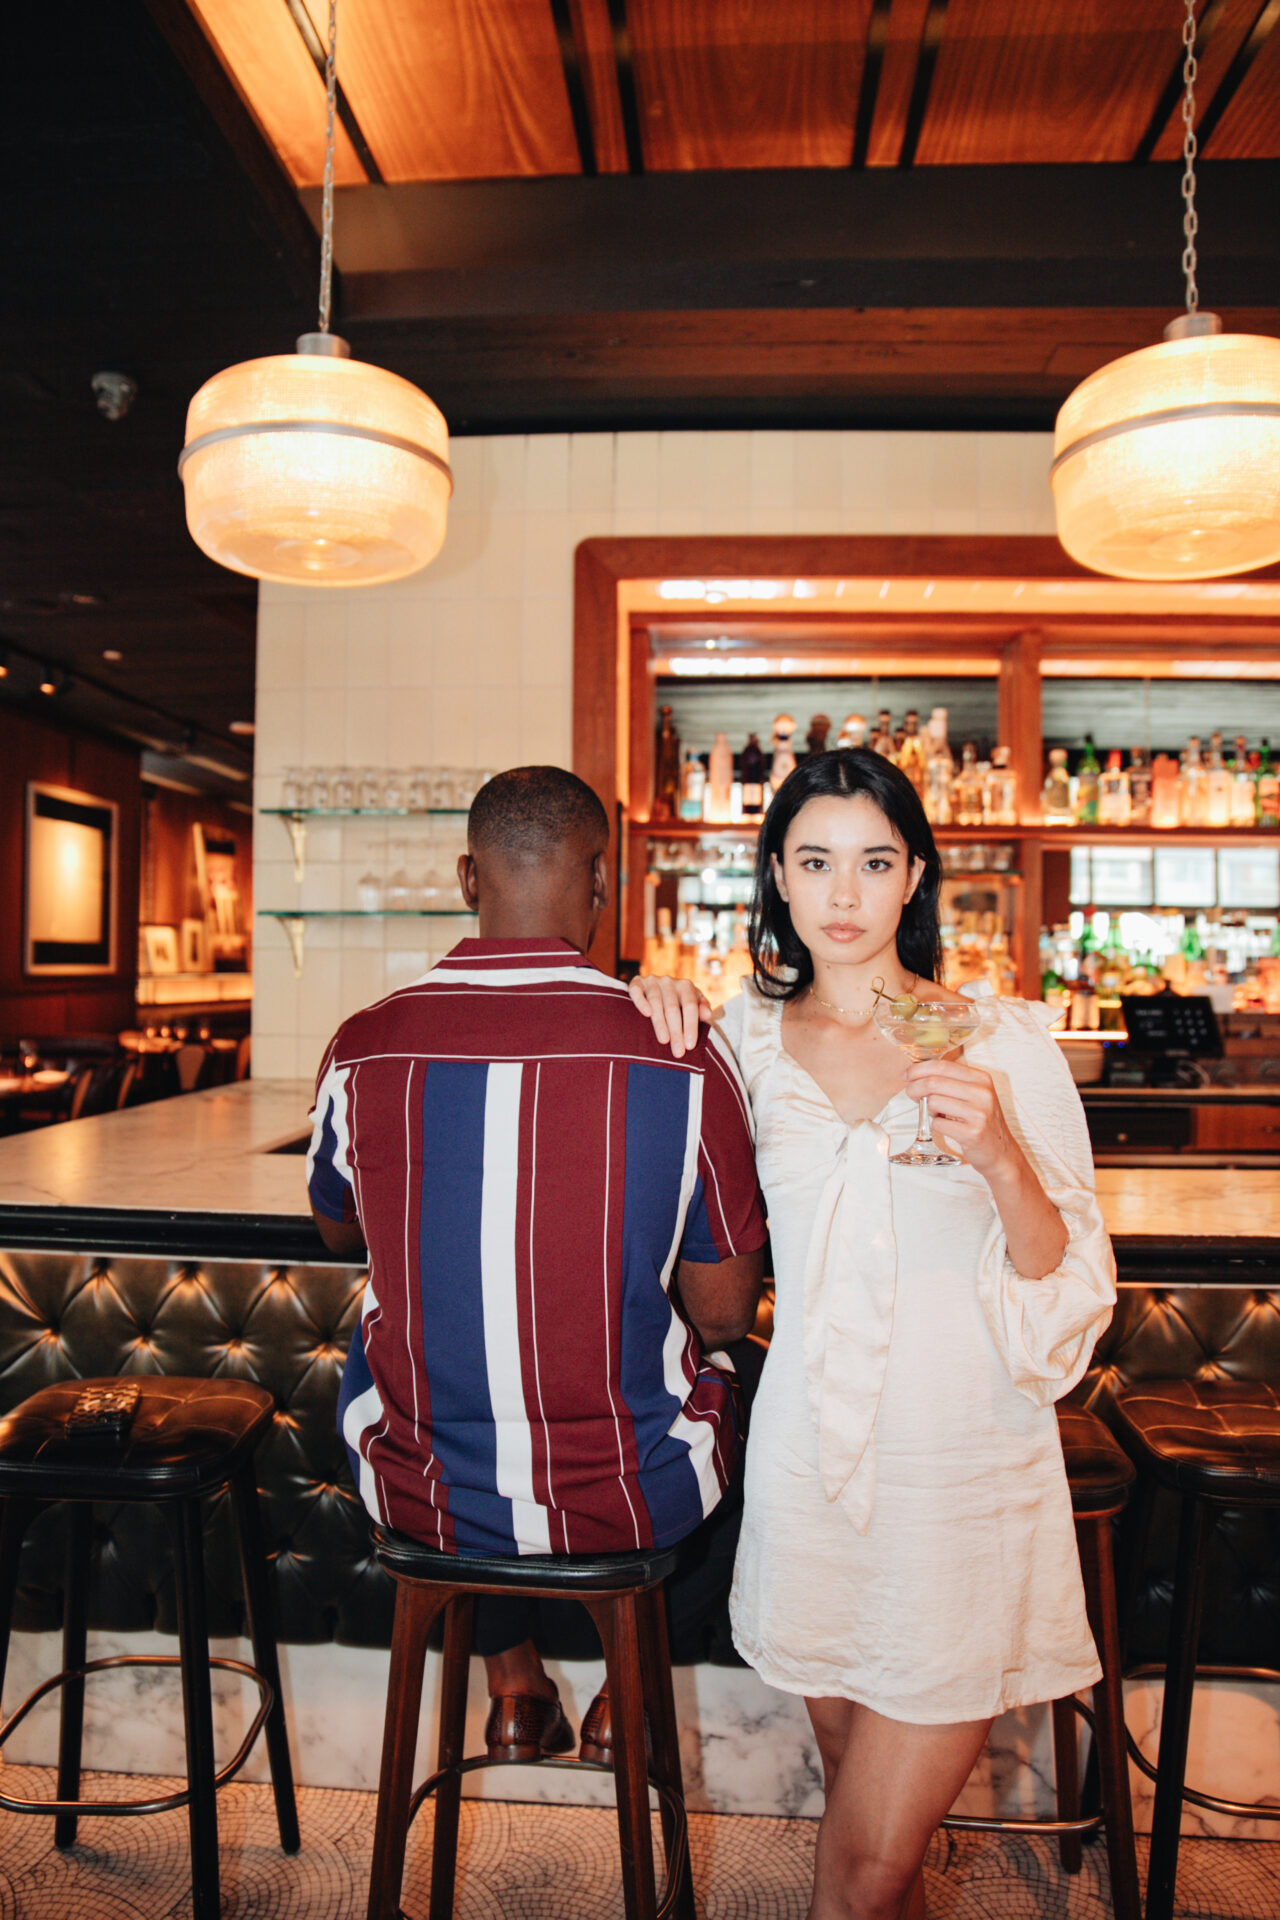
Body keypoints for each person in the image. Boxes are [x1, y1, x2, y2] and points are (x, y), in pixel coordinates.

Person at [631, 748, 1116, 1920]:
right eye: (814, 862)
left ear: (913, 879)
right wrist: (651, 1005)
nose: (842, 894)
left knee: (854, 1876)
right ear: (777, 882)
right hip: (808, 1468)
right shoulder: (732, 1044)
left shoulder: (1003, 1044)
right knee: (862, 1815)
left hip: (958, 1471)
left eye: (872, 862)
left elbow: (1071, 1288)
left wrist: (998, 1155)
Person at [306, 765, 767, 1766]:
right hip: (633, 1493)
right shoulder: (679, 1050)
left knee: (400, 1352)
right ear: (601, 885)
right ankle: (624, 1687)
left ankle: (513, 1693)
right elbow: (725, 1314)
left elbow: (338, 1232)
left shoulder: (361, 1047)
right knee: (737, 1374)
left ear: (466, 875)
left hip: (414, 1487)